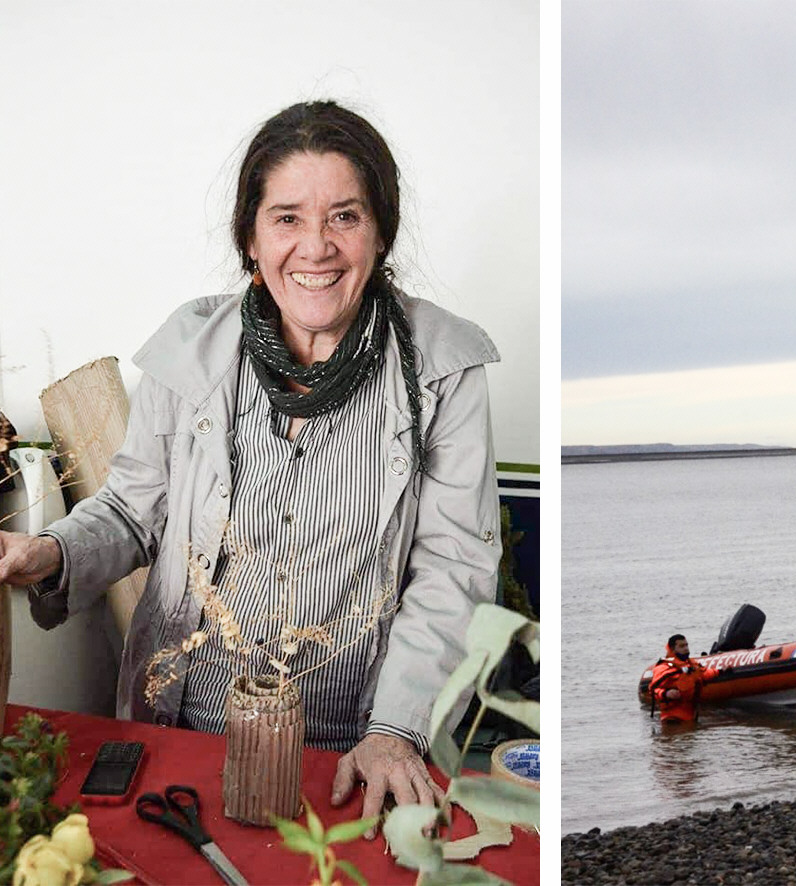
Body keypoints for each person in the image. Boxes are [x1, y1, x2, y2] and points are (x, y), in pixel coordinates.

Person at [0, 101, 500, 836]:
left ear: (381, 231)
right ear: (251, 238)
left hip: (353, 749)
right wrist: (49, 551)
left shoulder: (444, 366)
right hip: (184, 729)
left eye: (345, 217)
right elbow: (133, 511)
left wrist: (399, 728)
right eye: (288, 218)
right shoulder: (189, 351)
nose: (316, 248)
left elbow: (455, 564)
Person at [648, 635, 718, 726]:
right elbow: (652, 690)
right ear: (673, 649)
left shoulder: (692, 665)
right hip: (672, 719)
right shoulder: (664, 668)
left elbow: (704, 674)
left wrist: (719, 671)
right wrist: (665, 693)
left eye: (686, 645)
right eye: (682, 646)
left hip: (690, 716)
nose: (686, 649)